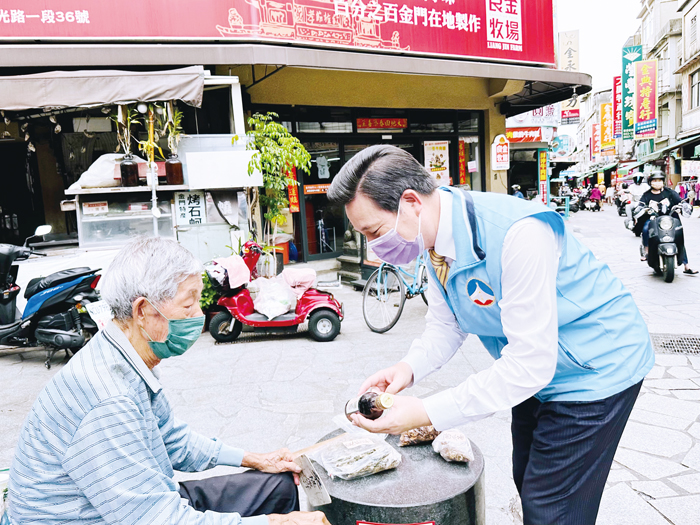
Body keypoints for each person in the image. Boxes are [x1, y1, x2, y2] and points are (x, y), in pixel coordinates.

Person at [327, 145, 654, 525]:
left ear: (411, 202)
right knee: (526, 475)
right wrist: (408, 368)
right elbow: (447, 324)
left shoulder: (518, 235)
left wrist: (426, 412)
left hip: (596, 367)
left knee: (551, 506)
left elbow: (529, 364)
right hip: (538, 372)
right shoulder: (433, 243)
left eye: (375, 231)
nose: (374, 247)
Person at [6, 237, 327, 525]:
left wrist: (257, 459)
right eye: (188, 304)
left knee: (280, 485)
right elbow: (159, 520)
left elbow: (172, 440)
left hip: (140, 503)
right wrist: (277, 524)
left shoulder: (127, 357)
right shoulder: (108, 401)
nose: (198, 315)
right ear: (143, 310)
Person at [638, 172, 697, 275]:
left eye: (660, 180)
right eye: (655, 181)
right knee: (646, 229)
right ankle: (647, 251)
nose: (657, 183)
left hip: (670, 220)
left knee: (679, 238)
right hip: (654, 220)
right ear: (650, 182)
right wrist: (642, 209)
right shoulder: (646, 195)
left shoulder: (669, 192)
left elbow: (680, 201)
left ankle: (686, 265)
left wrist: (682, 206)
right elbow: (640, 205)